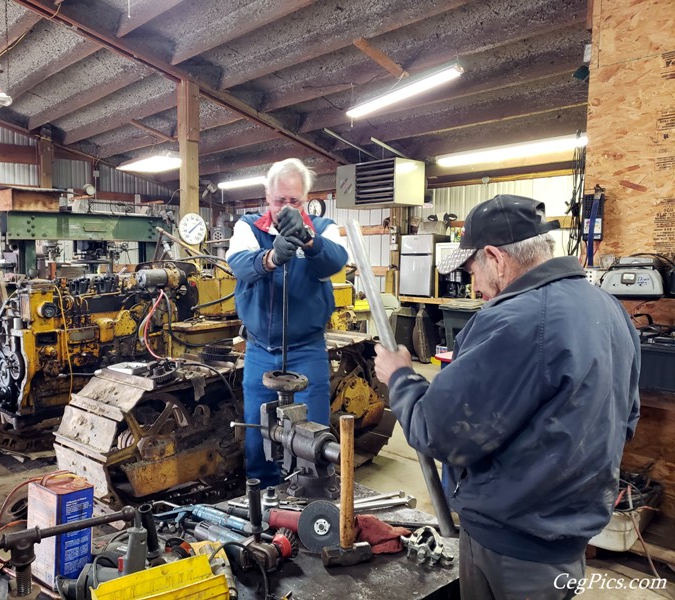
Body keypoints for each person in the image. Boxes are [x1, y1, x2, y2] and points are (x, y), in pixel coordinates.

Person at [373, 194, 640, 599]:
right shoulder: (609, 307)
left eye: (471, 270)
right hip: (568, 536)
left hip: (511, 544)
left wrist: (402, 378)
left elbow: (438, 432)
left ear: (496, 258)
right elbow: (627, 419)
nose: (473, 285)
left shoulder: (513, 321)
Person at [226, 158, 348, 486]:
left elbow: (335, 263)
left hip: (307, 350)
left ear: (306, 200)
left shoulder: (324, 229)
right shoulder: (248, 227)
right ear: (267, 197)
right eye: (280, 201)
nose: (286, 208)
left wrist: (308, 240)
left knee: (313, 438)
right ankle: (263, 505)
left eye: (294, 201)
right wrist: (270, 257)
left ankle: (312, 502)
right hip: (260, 351)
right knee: (258, 435)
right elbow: (239, 265)